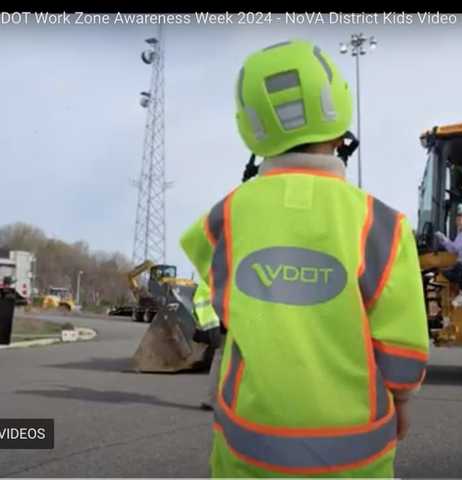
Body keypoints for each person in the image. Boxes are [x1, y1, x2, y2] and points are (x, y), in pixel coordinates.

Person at [180, 39, 429, 478]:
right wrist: (402, 400)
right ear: (339, 120)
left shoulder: (224, 217)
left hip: (249, 442)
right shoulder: (383, 224)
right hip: (357, 451)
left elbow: (219, 301)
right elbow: (403, 345)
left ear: (251, 128)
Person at [191, 278, 223, 411]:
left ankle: (211, 399)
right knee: (223, 357)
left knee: (220, 356)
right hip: (220, 321)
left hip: (211, 322)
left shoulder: (209, 276)